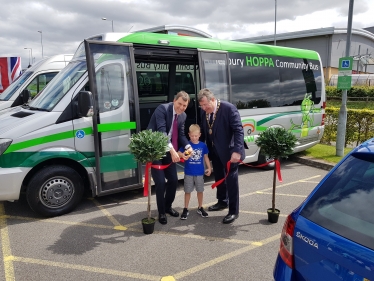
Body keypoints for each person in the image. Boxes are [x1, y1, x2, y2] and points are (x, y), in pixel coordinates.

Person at [197, 88, 245, 224]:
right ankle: (222, 201)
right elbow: (204, 131)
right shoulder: (204, 112)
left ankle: (233, 211)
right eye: (201, 106)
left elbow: (238, 131)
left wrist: (237, 151)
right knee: (219, 177)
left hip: (230, 153)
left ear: (213, 99)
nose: (203, 108)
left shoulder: (229, 109)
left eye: (205, 105)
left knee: (231, 181)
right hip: (215, 152)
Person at [147, 91, 193, 225]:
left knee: (173, 180)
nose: (181, 107)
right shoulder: (162, 109)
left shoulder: (183, 116)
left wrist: (188, 147)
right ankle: (161, 212)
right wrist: (173, 150)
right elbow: (162, 132)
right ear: (174, 101)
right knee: (160, 182)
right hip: (155, 149)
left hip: (169, 150)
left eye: (184, 105)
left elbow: (181, 135)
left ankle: (167, 207)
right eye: (180, 104)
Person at [178, 124, 212, 220]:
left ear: (199, 135)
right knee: (187, 191)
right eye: (192, 136)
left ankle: (200, 207)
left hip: (200, 172)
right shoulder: (187, 145)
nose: (194, 138)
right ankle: (185, 208)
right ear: (189, 135)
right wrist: (184, 154)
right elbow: (179, 153)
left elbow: (206, 157)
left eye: (196, 136)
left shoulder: (202, 145)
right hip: (189, 172)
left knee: (200, 190)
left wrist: (209, 168)